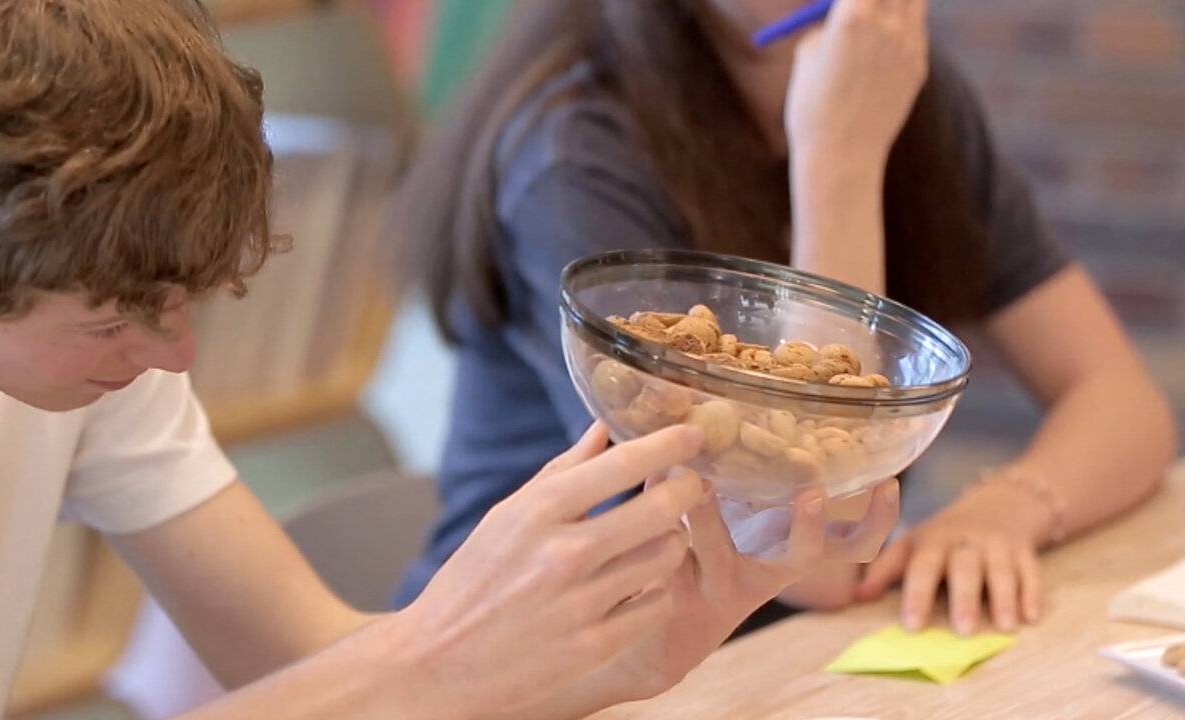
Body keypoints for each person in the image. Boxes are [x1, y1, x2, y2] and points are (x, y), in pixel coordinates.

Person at [0, 2, 900, 719]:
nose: (177, 352)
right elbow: (383, 680)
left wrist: (616, 657)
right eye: (109, 321)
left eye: (180, 303)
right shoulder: (571, 145)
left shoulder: (93, 364)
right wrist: (431, 653)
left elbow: (301, 658)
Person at [395, 0, 1178, 636]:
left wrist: (1010, 506)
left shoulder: (898, 88)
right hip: (542, 663)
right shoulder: (574, 149)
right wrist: (839, 161)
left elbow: (1125, 405)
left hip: (765, 652)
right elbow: (806, 553)